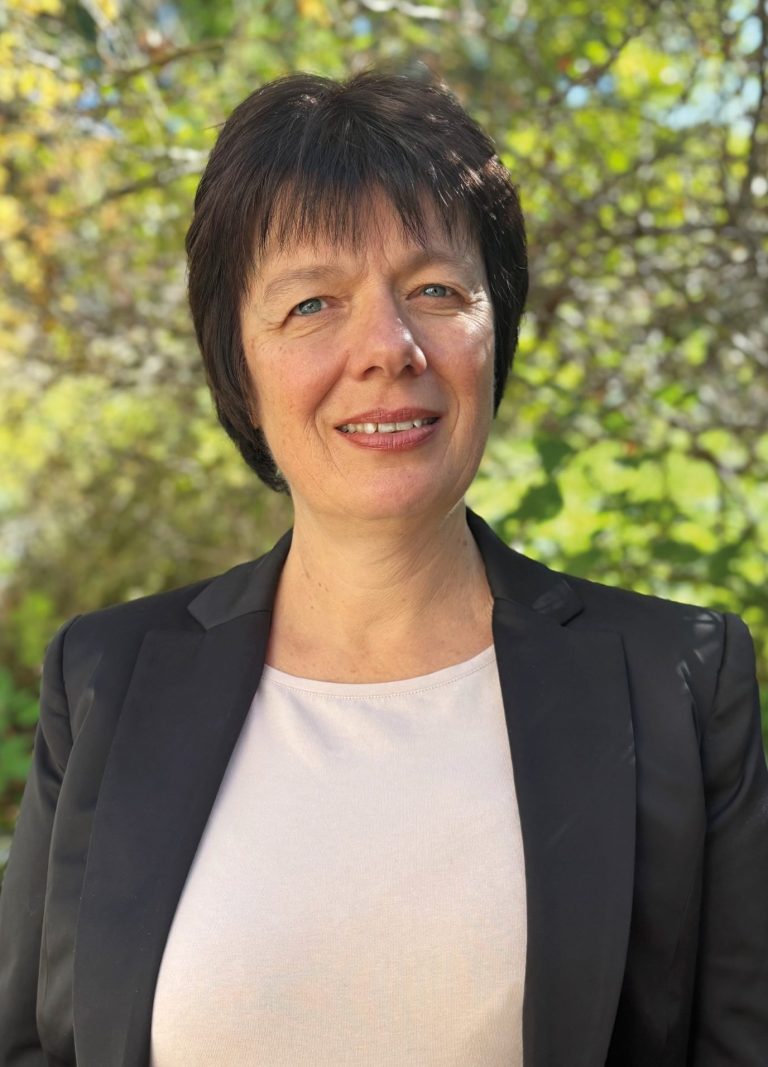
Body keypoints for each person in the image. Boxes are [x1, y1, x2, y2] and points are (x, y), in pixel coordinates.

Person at [0, 68, 766, 1067]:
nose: (386, 348)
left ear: (497, 328)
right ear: (239, 363)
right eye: (313, 302)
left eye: (435, 290)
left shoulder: (676, 684)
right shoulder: (106, 677)